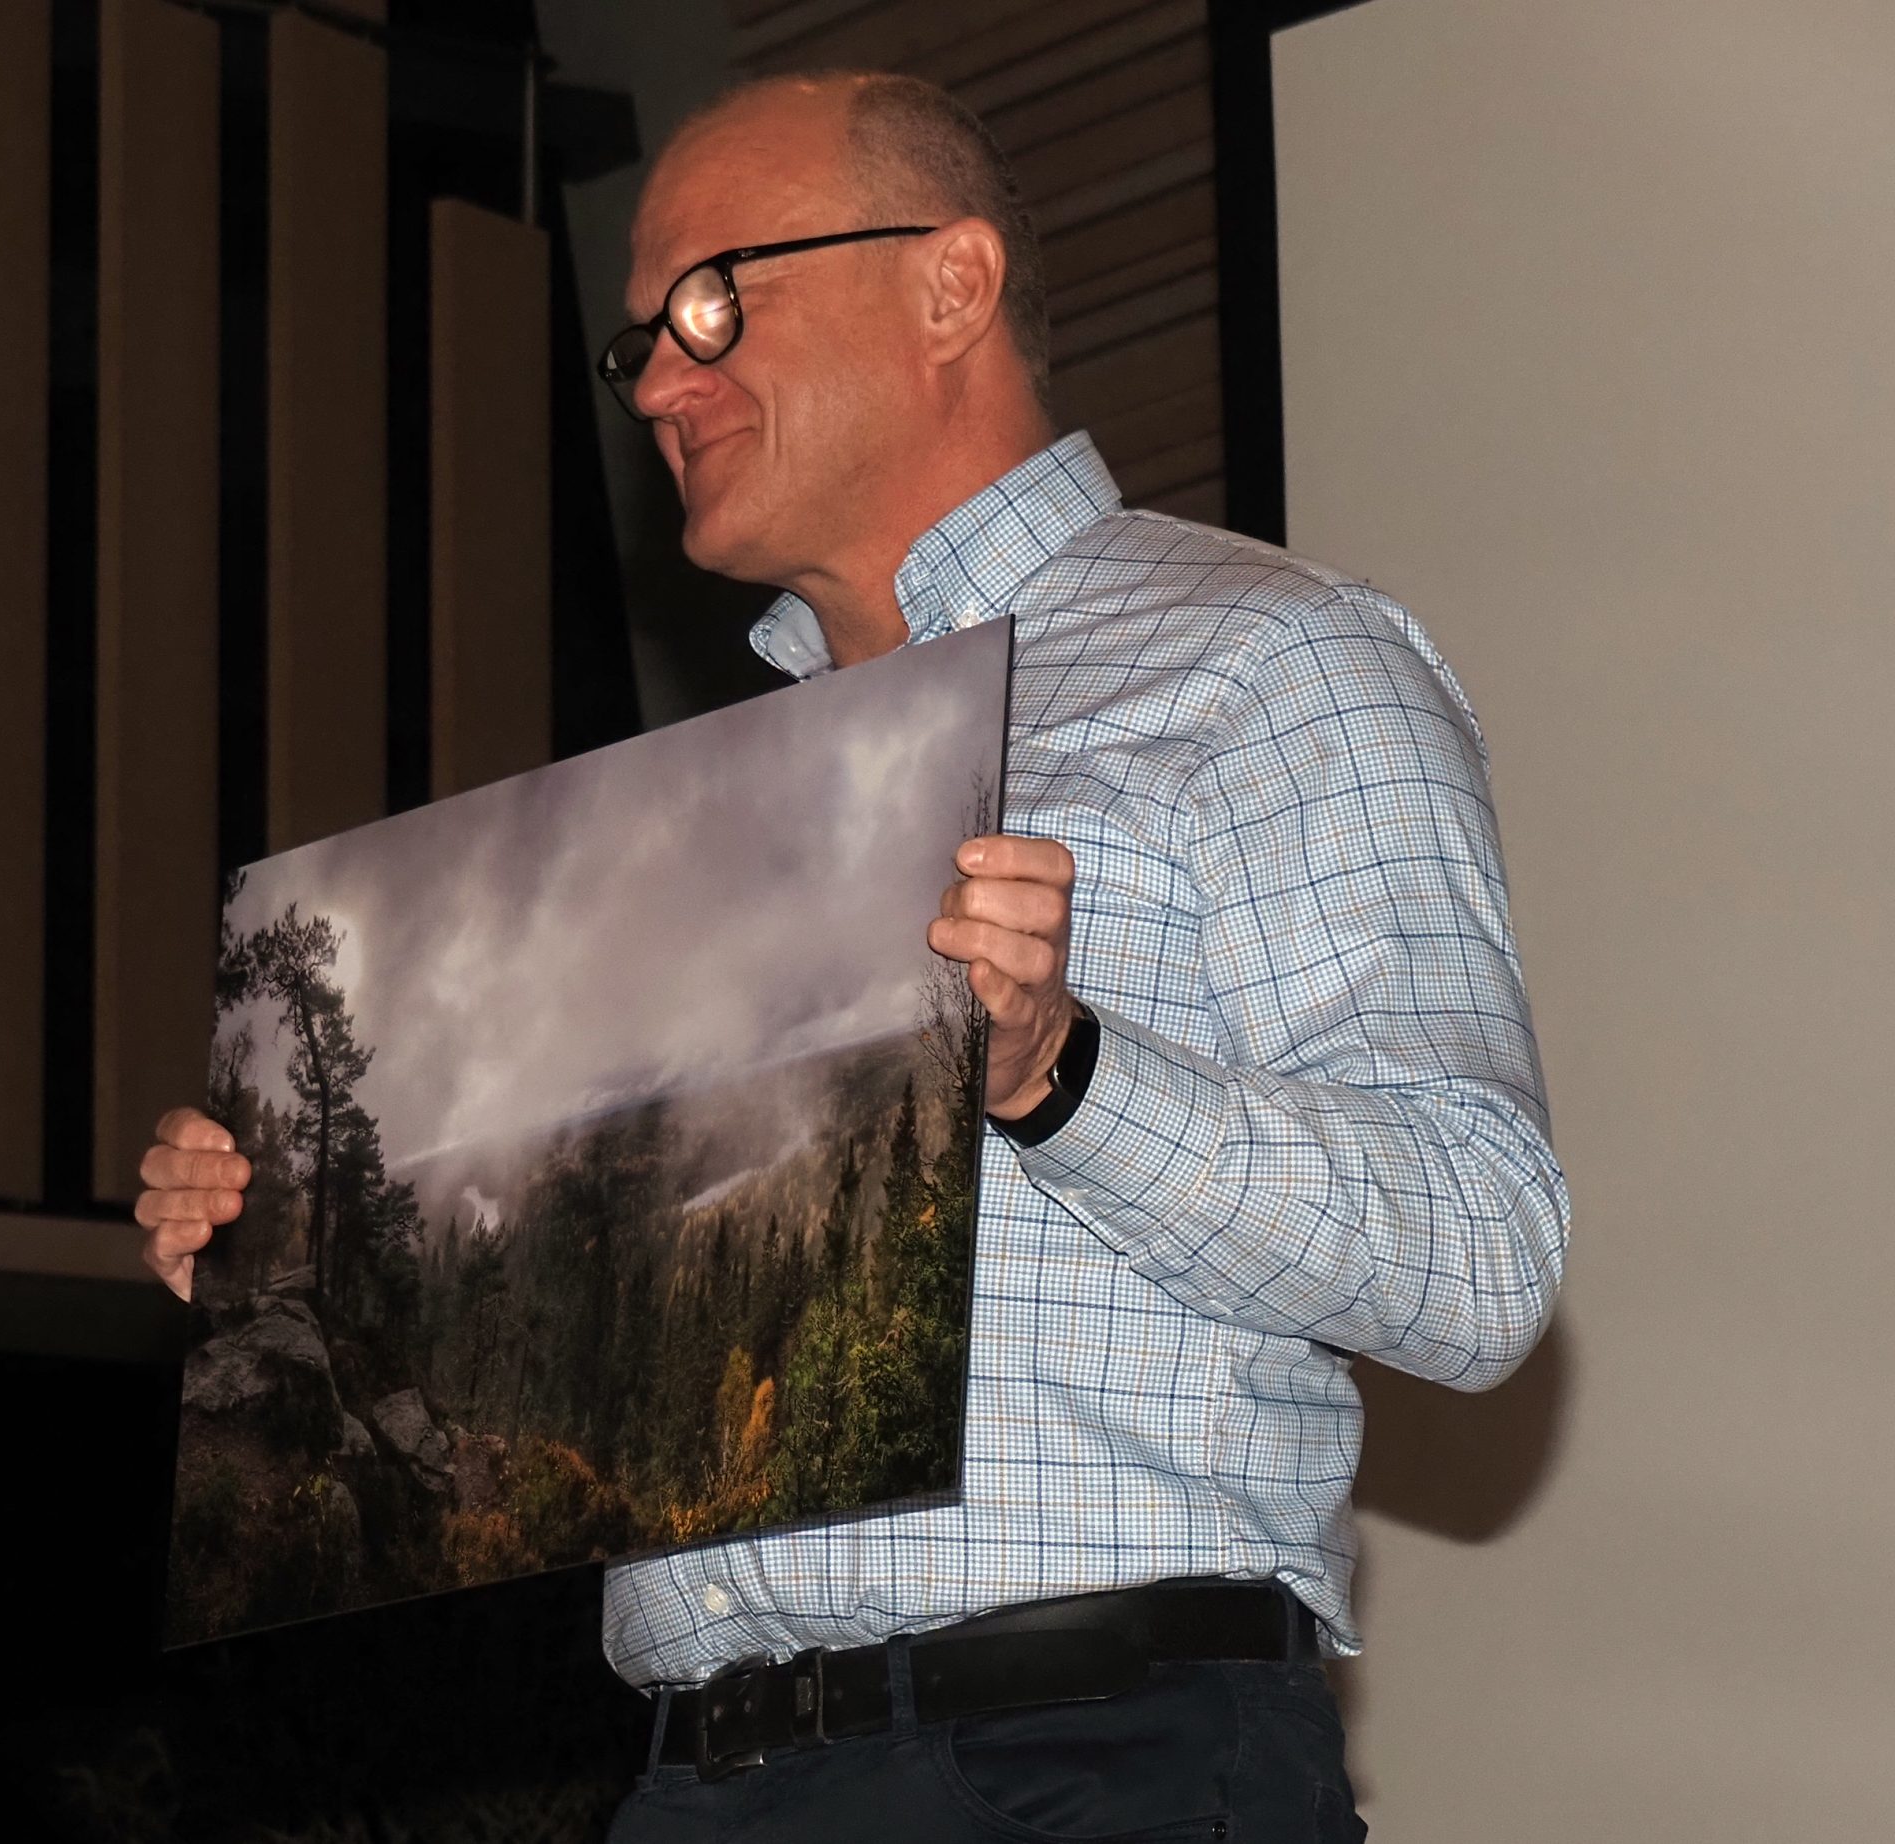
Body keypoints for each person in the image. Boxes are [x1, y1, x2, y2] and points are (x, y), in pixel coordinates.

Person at [136, 70, 1567, 1843]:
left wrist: (1064, 1076)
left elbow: (1479, 1257)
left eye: (716, 304)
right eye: (639, 341)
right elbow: (578, 1350)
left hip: (1087, 1759)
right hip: (696, 1783)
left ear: (950, 286)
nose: (660, 379)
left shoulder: (1273, 662)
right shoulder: (687, 831)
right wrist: (310, 1253)